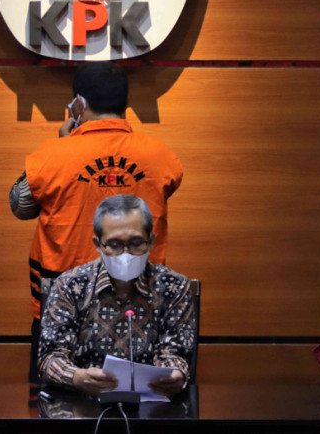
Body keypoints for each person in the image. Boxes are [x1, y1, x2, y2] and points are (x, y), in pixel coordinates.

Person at [10, 62, 183, 323]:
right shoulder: (160, 154)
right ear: (125, 104)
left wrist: (64, 148)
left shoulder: (52, 154)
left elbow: (20, 206)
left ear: (78, 104)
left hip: (64, 302)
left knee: (57, 352)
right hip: (138, 299)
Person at [38, 195, 195, 397]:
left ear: (151, 241)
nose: (125, 254)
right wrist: (76, 377)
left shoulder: (174, 286)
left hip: (152, 403)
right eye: (114, 244)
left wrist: (173, 375)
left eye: (136, 243)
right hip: (83, 403)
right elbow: (50, 356)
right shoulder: (70, 285)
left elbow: (176, 353)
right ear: (98, 244)